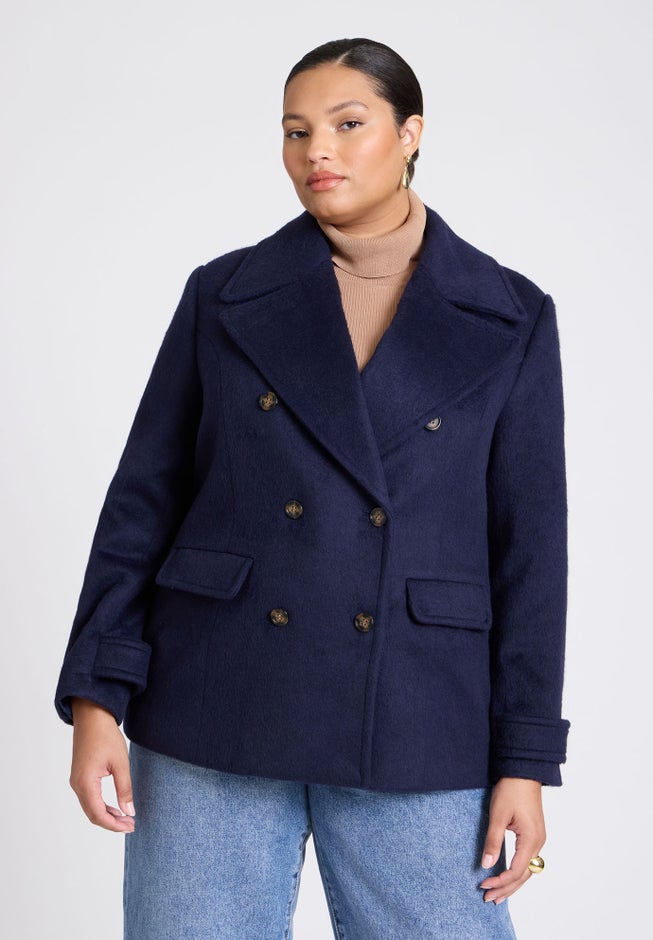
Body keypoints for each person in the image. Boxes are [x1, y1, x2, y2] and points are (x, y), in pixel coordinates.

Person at [55, 37, 570, 940]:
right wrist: (98, 698)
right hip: (214, 700)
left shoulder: (510, 314)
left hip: (417, 712)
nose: (315, 151)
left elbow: (530, 550)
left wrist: (524, 759)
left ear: (410, 134)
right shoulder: (224, 293)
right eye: (295, 131)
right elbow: (142, 504)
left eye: (347, 124)